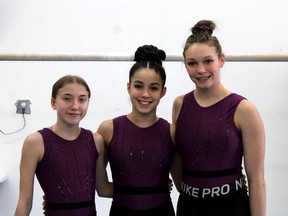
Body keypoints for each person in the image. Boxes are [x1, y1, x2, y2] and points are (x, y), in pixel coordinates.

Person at [172, 20, 266, 216]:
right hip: (189, 206)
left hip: (230, 207)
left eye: (208, 61)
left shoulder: (243, 109)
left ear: (221, 60)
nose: (200, 70)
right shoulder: (180, 104)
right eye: (192, 63)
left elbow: (256, 178)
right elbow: (177, 158)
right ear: (185, 64)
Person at [97, 45, 181, 216]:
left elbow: (183, 185)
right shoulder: (108, 129)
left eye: (153, 88)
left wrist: (233, 183)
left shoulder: (171, 132)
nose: (145, 94)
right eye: (138, 86)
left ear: (163, 91)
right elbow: (102, 189)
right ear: (128, 87)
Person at [14, 75, 113, 216]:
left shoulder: (96, 140)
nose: (75, 106)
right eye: (67, 98)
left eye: (82, 99)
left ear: (88, 103)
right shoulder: (35, 142)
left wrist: (150, 192)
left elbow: (103, 189)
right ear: (53, 103)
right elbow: (25, 201)